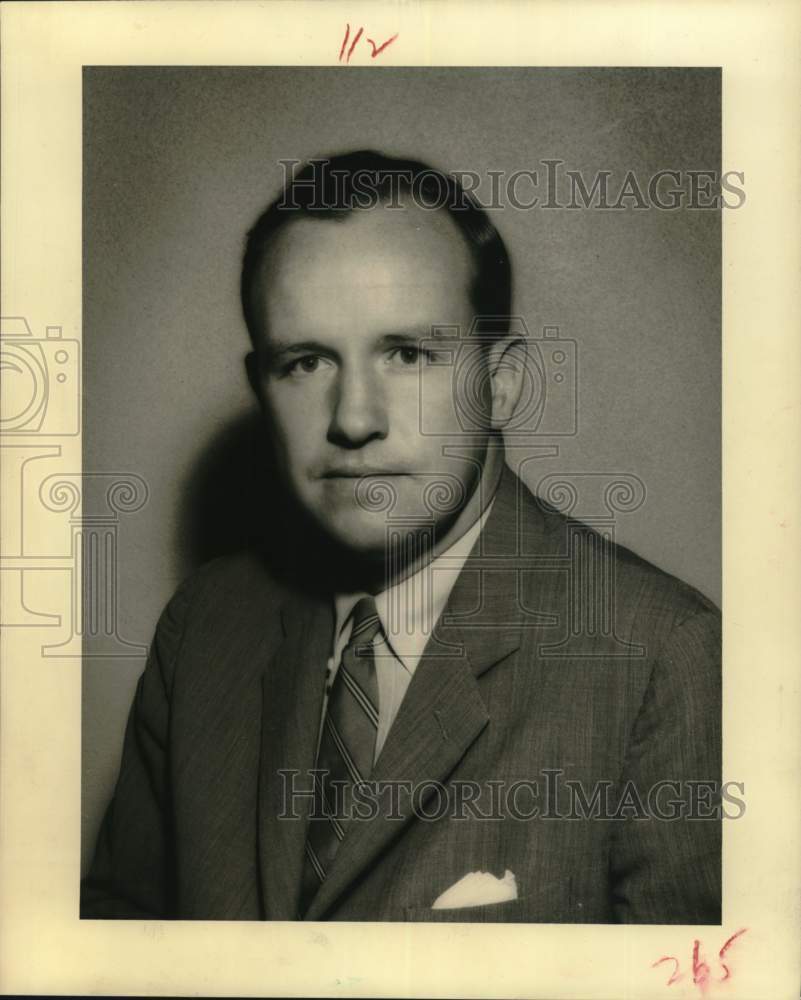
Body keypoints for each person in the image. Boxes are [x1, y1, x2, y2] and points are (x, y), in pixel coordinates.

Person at [81, 150, 721, 923]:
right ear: (262, 388)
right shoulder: (203, 626)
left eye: (409, 353)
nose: (353, 418)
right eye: (305, 361)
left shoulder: (661, 657)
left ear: (503, 382)